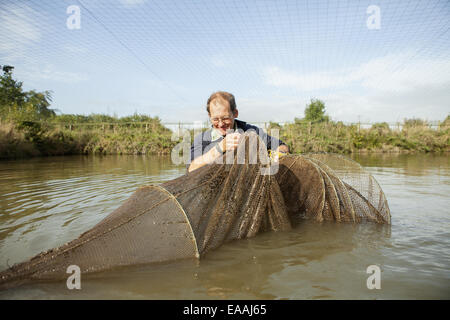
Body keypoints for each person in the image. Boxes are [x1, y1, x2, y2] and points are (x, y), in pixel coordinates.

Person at [188, 91, 289, 172]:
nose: (220, 124)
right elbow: (191, 168)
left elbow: (282, 146)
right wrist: (219, 148)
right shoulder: (201, 139)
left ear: (235, 113)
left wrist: (278, 155)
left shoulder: (251, 131)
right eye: (215, 119)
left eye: (225, 118)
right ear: (209, 116)